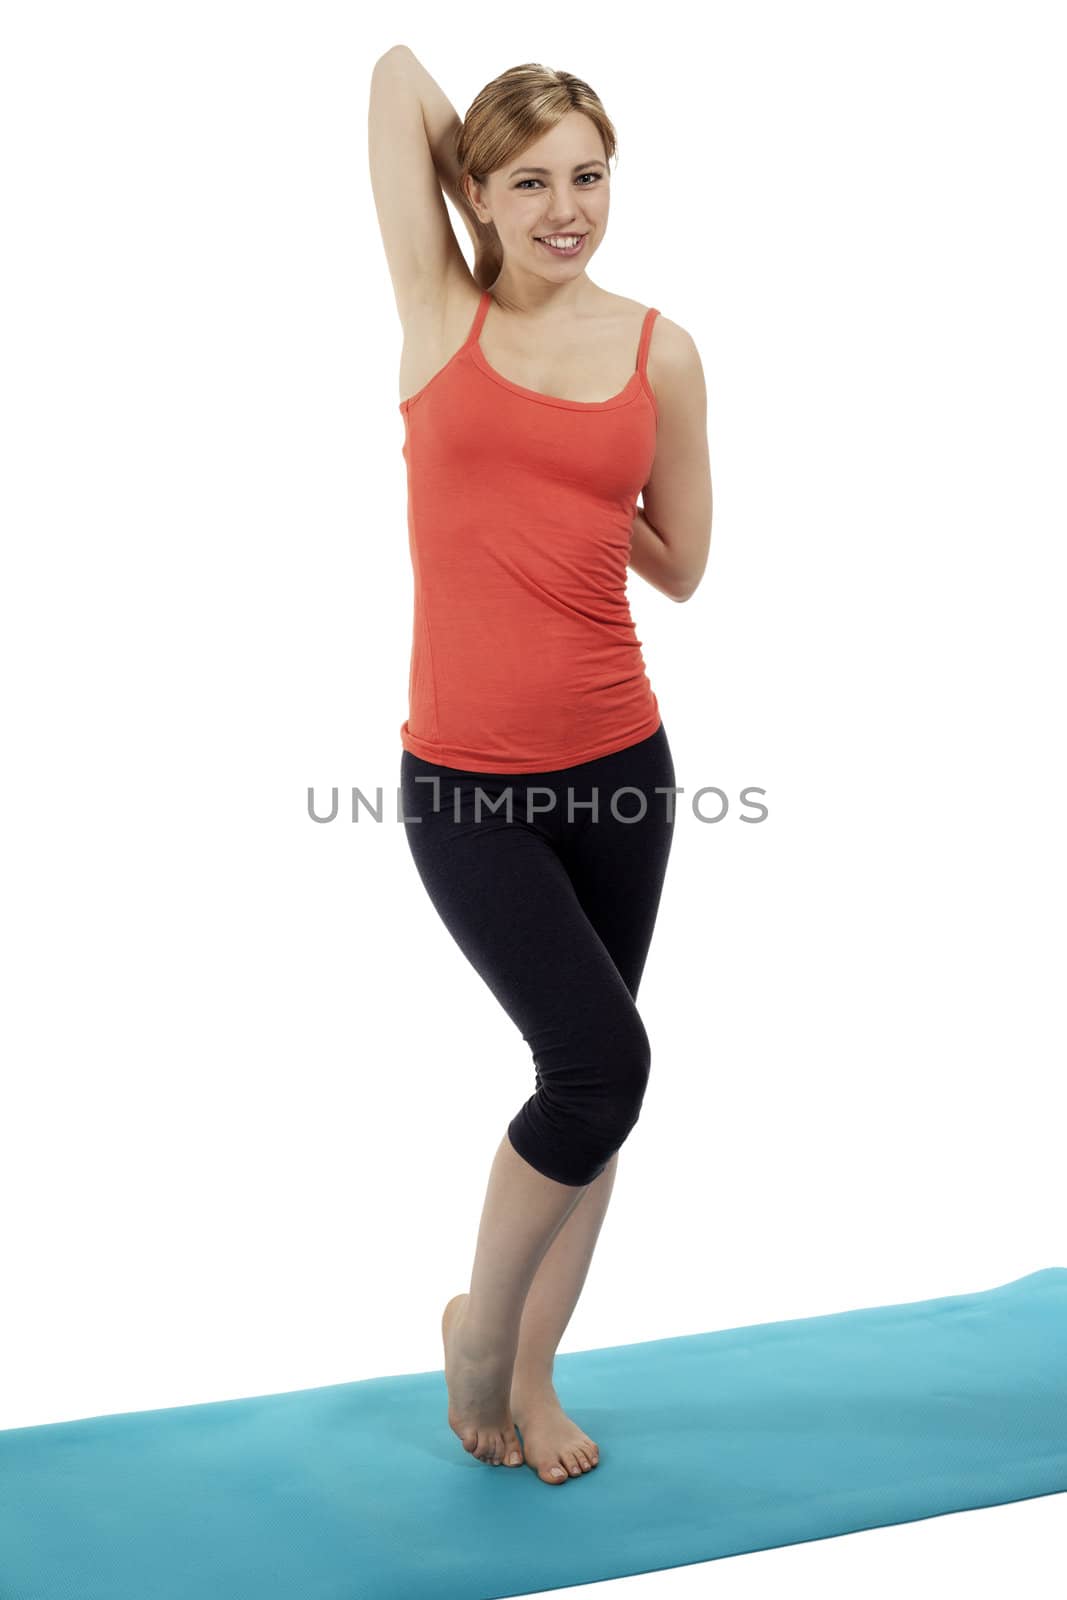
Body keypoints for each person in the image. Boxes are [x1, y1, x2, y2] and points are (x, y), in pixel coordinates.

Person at [369, 46, 712, 1486]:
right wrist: (466, 169)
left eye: (588, 175)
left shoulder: (661, 351)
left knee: (594, 1086)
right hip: (466, 784)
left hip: (622, 767)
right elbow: (393, 78)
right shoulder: (438, 306)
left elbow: (683, 562)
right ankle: (476, 1340)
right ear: (479, 193)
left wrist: (585, 503)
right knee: (599, 1061)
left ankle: (533, 1371)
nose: (567, 207)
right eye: (531, 180)